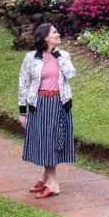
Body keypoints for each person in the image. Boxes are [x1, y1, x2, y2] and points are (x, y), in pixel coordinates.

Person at [18, 23, 76, 198]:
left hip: (59, 104)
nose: (59, 34)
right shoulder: (30, 58)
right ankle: (46, 179)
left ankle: (53, 185)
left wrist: (57, 54)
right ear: (45, 37)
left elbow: (71, 74)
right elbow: (23, 84)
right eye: (54, 32)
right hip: (39, 105)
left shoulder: (63, 55)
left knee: (51, 143)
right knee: (45, 143)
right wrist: (22, 111)